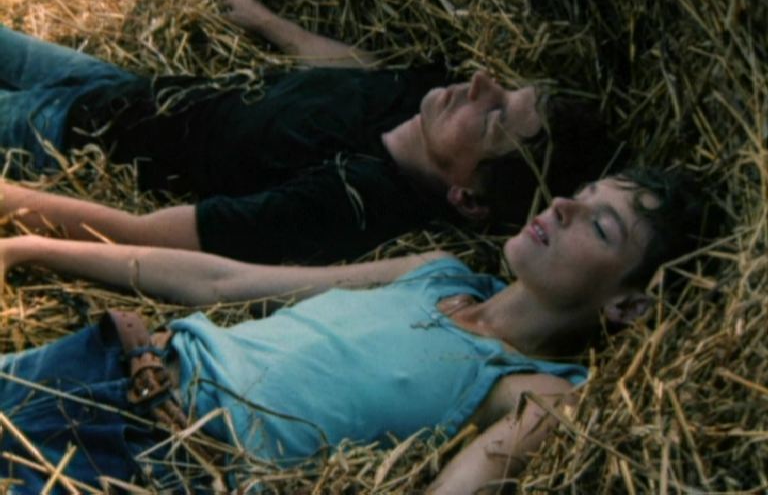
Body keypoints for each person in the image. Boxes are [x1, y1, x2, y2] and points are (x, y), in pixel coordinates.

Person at [0, 167, 702, 493]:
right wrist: (31, 248)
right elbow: (227, 281)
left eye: (600, 225)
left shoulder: (537, 390)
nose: (563, 206)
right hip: (115, 360)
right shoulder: (435, 272)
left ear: (629, 307)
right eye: (581, 193)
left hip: (157, 464)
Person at [0, 0, 612, 264]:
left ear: (468, 198)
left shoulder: (351, 202)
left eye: (496, 118)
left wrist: (19, 204)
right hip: (120, 86)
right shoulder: (418, 104)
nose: (479, 83)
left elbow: (179, 235)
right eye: (502, 86)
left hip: (73, 137)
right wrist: (270, 24)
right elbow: (357, 68)